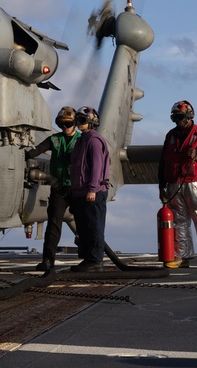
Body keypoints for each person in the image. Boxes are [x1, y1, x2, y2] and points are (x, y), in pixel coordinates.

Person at [158, 100, 197, 269]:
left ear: (188, 116)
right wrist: (161, 186)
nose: (177, 121)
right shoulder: (170, 136)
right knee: (178, 222)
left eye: (179, 117)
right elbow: (163, 162)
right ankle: (181, 256)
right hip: (174, 185)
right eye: (174, 118)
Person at [27, 106, 80, 271]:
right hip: (58, 189)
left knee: (87, 225)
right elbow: (35, 151)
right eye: (61, 124)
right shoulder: (54, 139)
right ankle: (48, 261)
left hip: (78, 189)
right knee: (53, 225)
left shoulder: (82, 140)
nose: (64, 127)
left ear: (76, 123)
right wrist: (22, 152)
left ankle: (91, 259)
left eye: (68, 123)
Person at [68, 106, 110, 272]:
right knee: (84, 228)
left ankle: (95, 260)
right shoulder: (81, 140)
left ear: (92, 122)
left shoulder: (93, 140)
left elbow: (97, 167)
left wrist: (92, 189)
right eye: (77, 120)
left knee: (94, 227)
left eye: (82, 120)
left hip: (93, 192)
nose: (79, 123)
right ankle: (87, 259)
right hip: (80, 192)